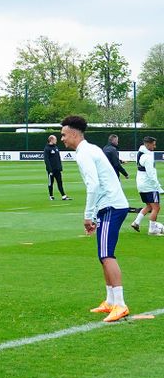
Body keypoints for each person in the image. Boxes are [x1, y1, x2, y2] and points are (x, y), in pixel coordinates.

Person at [60, 116, 131, 323]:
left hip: (111, 206)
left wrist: (87, 216)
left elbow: (93, 185)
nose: (62, 139)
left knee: (107, 254)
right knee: (103, 254)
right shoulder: (91, 149)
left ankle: (120, 304)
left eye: (64, 135)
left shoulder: (84, 153)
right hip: (108, 206)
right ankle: (110, 300)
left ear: (74, 133)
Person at [131, 136, 162, 235]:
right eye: (153, 144)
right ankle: (152, 229)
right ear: (147, 144)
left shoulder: (141, 153)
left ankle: (136, 222)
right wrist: (158, 187)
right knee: (156, 208)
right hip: (149, 186)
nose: (155, 146)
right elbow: (151, 174)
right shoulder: (147, 157)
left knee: (149, 205)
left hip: (141, 184)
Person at [43, 134, 70, 201]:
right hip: (51, 170)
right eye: (55, 140)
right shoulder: (47, 149)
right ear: (51, 140)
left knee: (60, 182)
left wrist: (60, 167)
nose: (56, 141)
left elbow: (58, 158)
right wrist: (50, 169)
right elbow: (46, 160)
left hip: (57, 169)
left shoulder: (56, 147)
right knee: (50, 183)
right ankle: (51, 196)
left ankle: (63, 196)